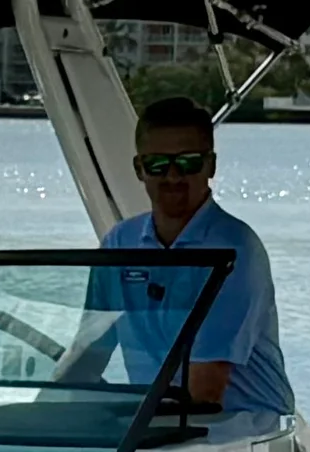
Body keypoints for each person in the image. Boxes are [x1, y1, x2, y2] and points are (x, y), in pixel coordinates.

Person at [95, 92, 294, 417]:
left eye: (188, 163)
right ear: (139, 169)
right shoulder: (119, 243)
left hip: (246, 426)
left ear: (211, 165)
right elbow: (89, 352)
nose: (173, 177)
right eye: (158, 165)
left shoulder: (236, 250)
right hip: (160, 421)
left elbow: (205, 391)